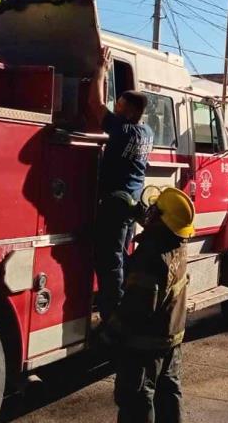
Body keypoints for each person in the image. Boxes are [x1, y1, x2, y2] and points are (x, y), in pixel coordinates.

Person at [104, 187, 194, 423]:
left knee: (137, 400)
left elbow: (137, 308)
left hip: (145, 347)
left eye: (155, 210)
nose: (150, 211)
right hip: (171, 340)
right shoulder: (178, 244)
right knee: (169, 396)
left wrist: (109, 332)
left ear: (162, 220)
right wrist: (136, 212)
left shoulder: (151, 256)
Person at [88, 48, 154, 320]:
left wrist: (100, 70)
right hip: (130, 204)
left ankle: (113, 315)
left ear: (129, 111)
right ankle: (124, 302)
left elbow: (95, 104)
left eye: (121, 104)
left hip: (116, 205)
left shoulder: (123, 130)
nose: (116, 106)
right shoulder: (146, 132)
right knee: (122, 256)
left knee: (111, 259)